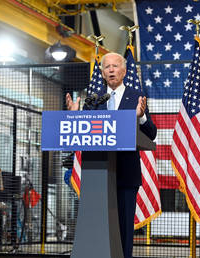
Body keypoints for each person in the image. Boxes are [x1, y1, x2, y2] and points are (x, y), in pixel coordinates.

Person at [65, 52, 157, 258]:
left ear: (124, 71)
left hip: (126, 175)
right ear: (103, 73)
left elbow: (151, 133)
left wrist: (141, 118)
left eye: (115, 66)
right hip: (98, 177)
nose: (111, 70)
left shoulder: (136, 97)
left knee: (124, 228)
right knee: (99, 227)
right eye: (107, 67)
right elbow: (83, 132)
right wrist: (74, 115)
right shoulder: (93, 98)